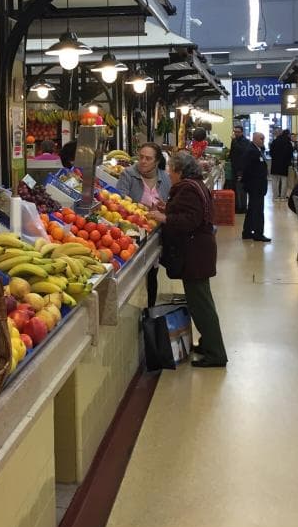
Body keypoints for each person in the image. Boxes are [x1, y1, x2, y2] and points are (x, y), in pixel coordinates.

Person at [147, 152, 227, 368]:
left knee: (201, 305)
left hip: (195, 254)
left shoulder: (187, 188)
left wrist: (165, 217)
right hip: (200, 252)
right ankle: (209, 343)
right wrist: (168, 208)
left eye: (171, 169)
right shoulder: (196, 184)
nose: (169, 174)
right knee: (200, 302)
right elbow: (192, 212)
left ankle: (216, 354)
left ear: (179, 171)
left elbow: (191, 220)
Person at [116, 143, 171, 307]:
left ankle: (151, 309)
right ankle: (136, 309)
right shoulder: (128, 175)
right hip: (134, 233)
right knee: (137, 277)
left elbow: (171, 203)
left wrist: (164, 209)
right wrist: (142, 212)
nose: (143, 161)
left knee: (153, 273)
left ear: (157, 161)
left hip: (157, 233)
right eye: (141, 157)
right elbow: (119, 201)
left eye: (148, 158)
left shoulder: (165, 178)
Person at [241, 132, 270, 242]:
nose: (263, 141)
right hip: (255, 186)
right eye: (261, 139)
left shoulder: (257, 150)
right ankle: (258, 233)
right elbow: (248, 169)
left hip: (257, 186)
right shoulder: (251, 151)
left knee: (252, 209)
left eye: (264, 139)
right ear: (255, 139)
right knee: (258, 210)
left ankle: (247, 231)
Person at [229, 125, 250, 213]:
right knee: (236, 187)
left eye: (238, 132)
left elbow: (242, 150)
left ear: (242, 132)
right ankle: (238, 206)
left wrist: (233, 141)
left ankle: (243, 207)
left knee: (241, 188)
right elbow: (232, 152)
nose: (236, 133)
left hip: (241, 168)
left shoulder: (245, 141)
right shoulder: (235, 141)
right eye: (235, 132)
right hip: (235, 167)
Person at [269, 129, 294, 201]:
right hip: (284, 164)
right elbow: (290, 154)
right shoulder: (288, 142)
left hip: (275, 164)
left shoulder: (275, 141)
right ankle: (283, 197)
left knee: (274, 181)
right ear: (288, 134)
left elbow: (271, 153)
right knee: (284, 181)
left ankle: (275, 197)